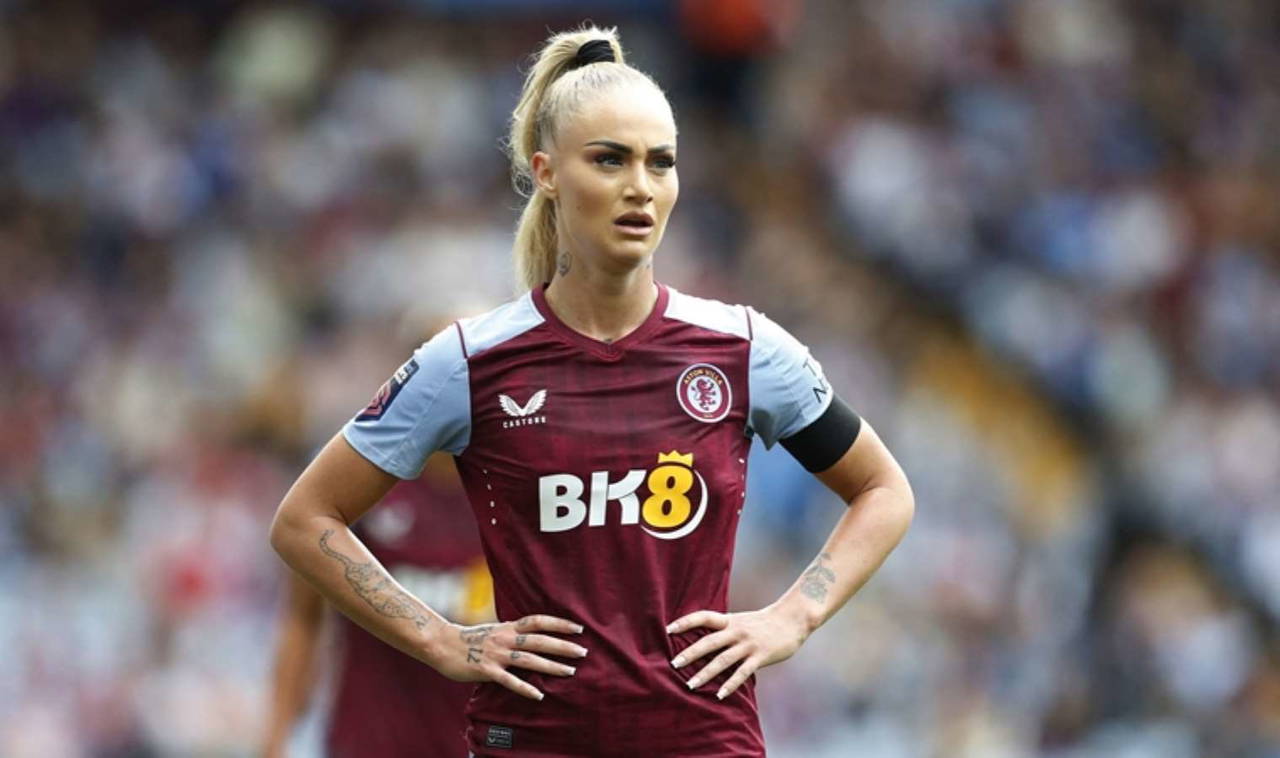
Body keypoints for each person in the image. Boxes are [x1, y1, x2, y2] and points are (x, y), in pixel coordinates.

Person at [269, 24, 914, 758]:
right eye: (610, 160)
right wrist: (440, 639)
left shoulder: (744, 350)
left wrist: (791, 617)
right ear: (546, 173)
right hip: (533, 741)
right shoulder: (468, 363)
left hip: (704, 741)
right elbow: (305, 520)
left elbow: (883, 491)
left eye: (660, 162)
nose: (641, 186)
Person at [263, 454, 494, 758]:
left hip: (476, 743)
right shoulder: (358, 473)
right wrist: (277, 737)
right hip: (367, 744)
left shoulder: (511, 488)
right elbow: (302, 617)